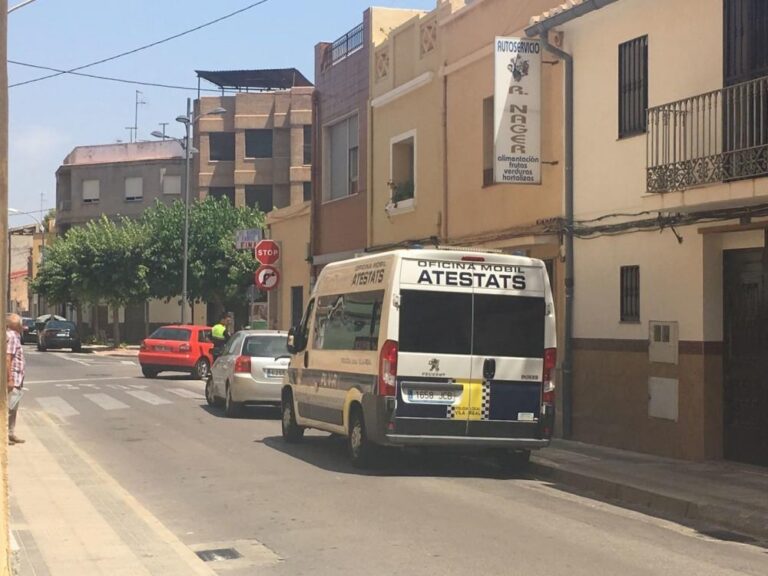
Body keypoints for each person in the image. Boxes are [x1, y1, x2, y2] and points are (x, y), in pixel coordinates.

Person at [6, 313, 26, 445]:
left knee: (13, 406)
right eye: (21, 324)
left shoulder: (13, 335)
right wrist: (10, 378)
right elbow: (9, 358)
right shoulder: (12, 337)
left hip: (18, 376)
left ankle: (10, 433)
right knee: (10, 407)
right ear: (17, 326)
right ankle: (6, 433)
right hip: (14, 377)